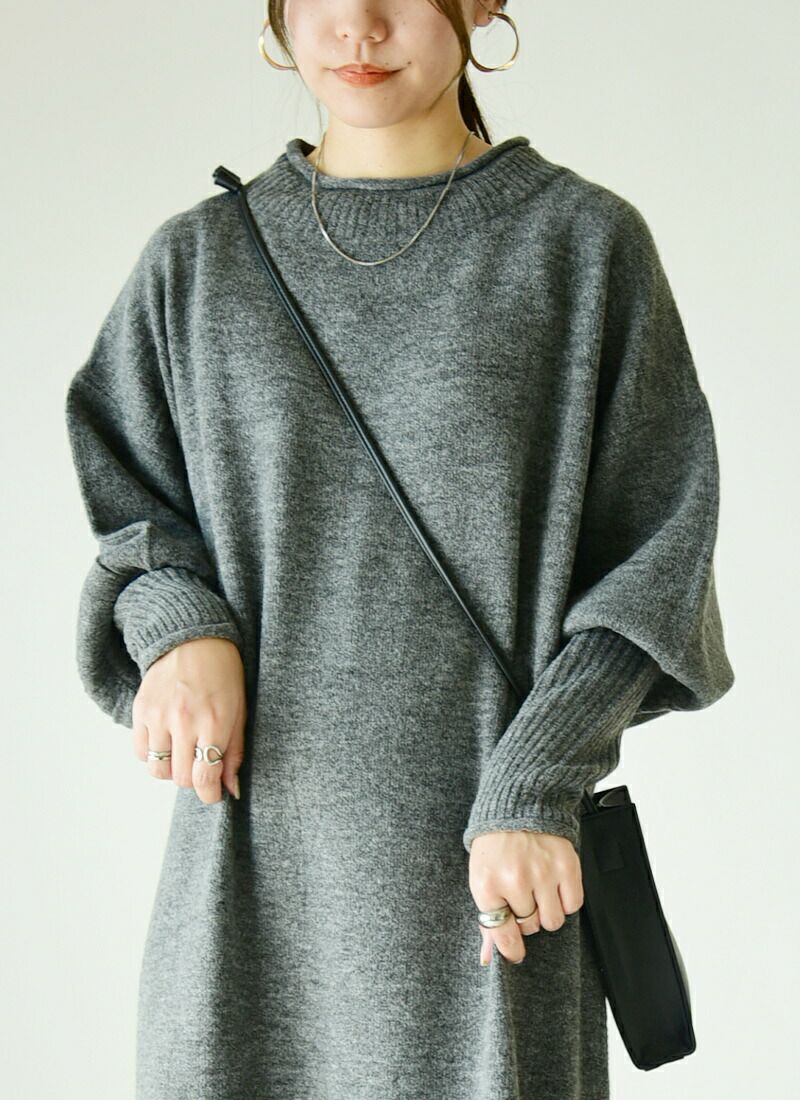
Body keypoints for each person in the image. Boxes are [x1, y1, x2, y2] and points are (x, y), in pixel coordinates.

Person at [64, 2, 735, 1098]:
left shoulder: (579, 246)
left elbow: (657, 563)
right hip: (242, 904)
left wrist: (537, 776)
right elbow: (131, 510)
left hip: (492, 895)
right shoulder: (199, 263)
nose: (359, 25)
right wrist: (178, 627)